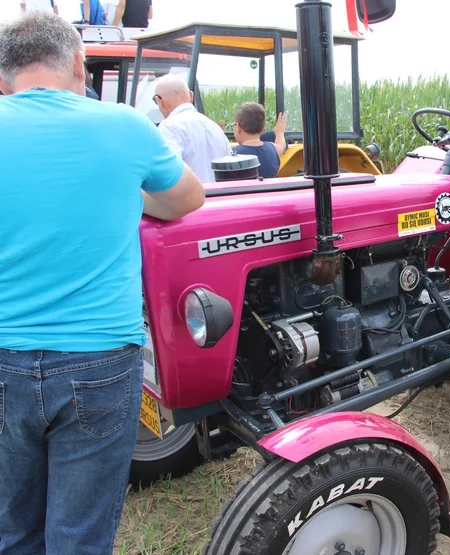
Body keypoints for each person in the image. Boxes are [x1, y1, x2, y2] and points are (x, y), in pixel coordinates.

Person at [0, 12, 204, 555]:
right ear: (78, 63)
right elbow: (187, 198)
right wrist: (130, 194)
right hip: (97, 357)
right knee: (80, 536)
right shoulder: (123, 125)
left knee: (10, 528)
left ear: (3, 78)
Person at [154, 73, 232, 183]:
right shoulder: (214, 127)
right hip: (217, 197)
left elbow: (168, 174)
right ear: (191, 96)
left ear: (159, 101)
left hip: (187, 199)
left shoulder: (168, 128)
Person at [232, 102, 288, 179]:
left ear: (238, 127)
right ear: (263, 128)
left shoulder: (232, 155)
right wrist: (279, 133)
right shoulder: (273, 149)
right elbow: (281, 146)